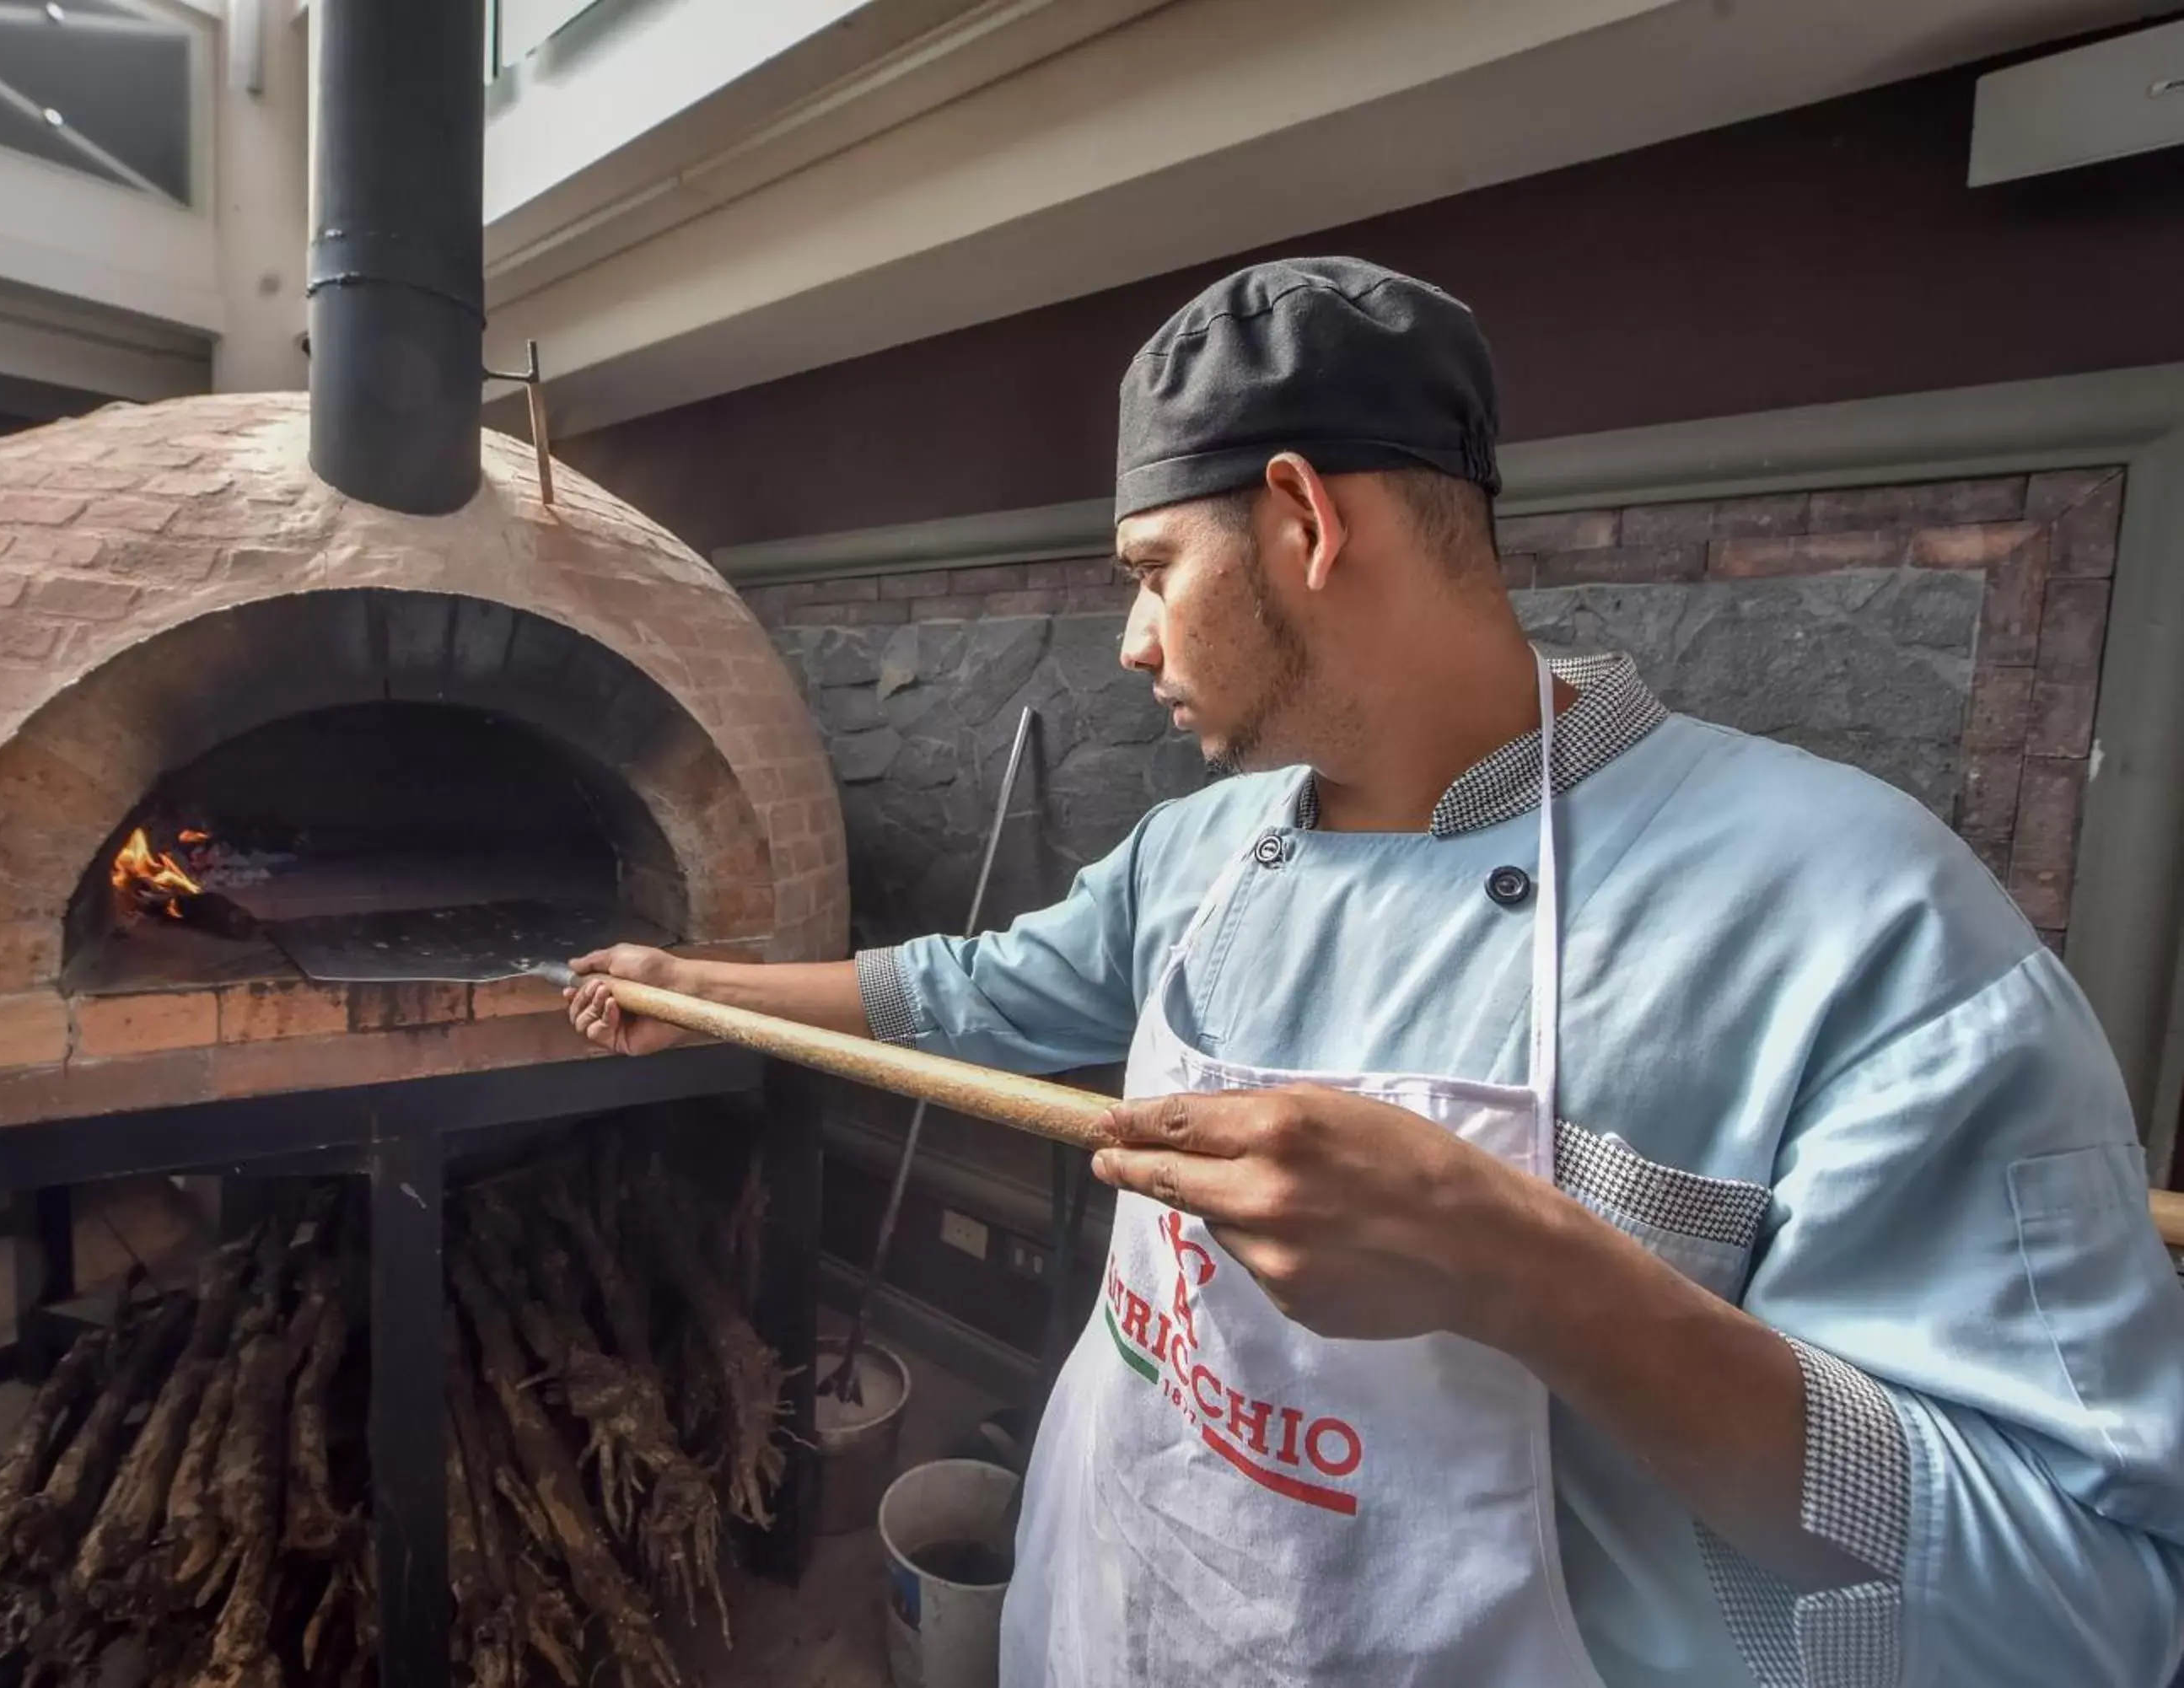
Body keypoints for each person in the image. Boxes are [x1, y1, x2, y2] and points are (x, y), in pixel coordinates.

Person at [566, 257, 2184, 1686]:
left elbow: (2082, 1606)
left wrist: (1529, 1274)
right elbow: (964, 994)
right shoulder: (1199, 854)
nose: (1131, 640)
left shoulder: (1863, 920)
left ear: (1305, 519)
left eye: (1148, 568)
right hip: (1114, 1613)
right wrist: (684, 975)